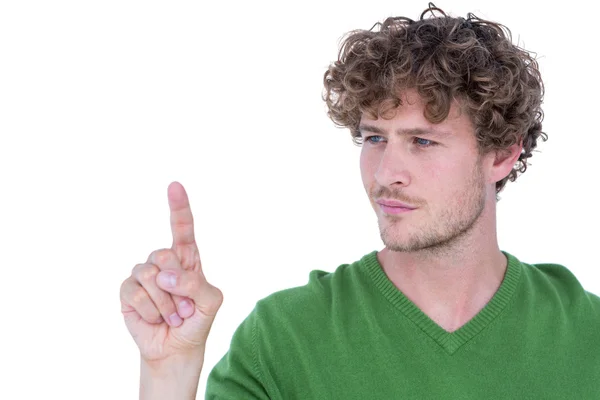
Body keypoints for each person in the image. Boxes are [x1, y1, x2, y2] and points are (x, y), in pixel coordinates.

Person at [119, 4, 600, 399]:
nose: (387, 174)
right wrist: (168, 375)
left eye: (423, 142)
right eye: (374, 139)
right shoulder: (285, 340)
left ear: (502, 154)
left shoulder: (587, 336)